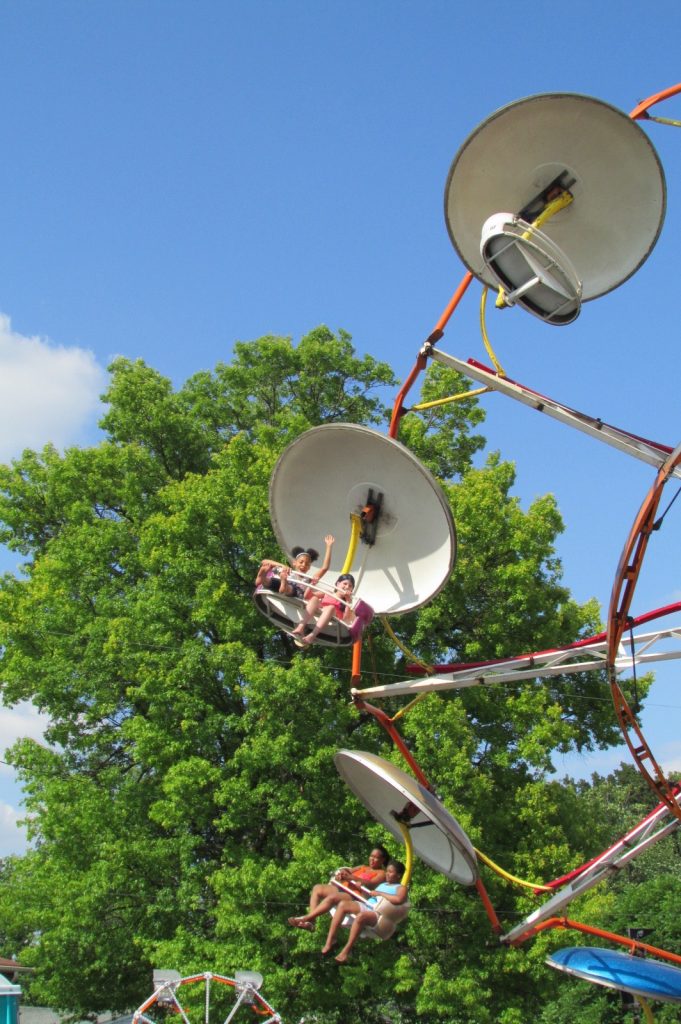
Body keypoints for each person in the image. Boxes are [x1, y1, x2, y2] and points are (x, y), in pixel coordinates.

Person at [321, 859, 408, 962]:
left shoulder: (400, 888)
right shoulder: (382, 885)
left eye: (390, 872)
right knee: (343, 905)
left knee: (361, 917)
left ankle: (346, 950)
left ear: (398, 875)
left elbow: (399, 900)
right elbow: (368, 895)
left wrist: (380, 894)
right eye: (387, 871)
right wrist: (361, 888)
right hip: (368, 904)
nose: (387, 874)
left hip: (379, 913)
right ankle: (331, 939)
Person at [287, 846, 389, 932]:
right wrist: (342, 875)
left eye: (376, 857)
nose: (372, 859)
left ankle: (306, 918)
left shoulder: (382, 873)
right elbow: (348, 871)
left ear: (382, 860)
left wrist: (351, 878)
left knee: (332, 898)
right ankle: (311, 922)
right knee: (317, 888)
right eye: (371, 856)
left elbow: (371, 884)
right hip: (343, 888)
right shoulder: (362, 867)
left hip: (354, 896)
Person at [254, 535, 334, 599]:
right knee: (272, 581)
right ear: (294, 563)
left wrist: (329, 546)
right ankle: (262, 578)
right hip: (281, 584)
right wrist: (282, 566)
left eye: (307, 564)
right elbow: (264, 561)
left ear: (309, 567)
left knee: (290, 588)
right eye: (301, 562)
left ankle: (284, 584)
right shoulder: (288, 571)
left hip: (293, 592)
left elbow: (324, 568)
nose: (303, 565)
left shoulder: (308, 579)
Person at [290, 572, 356, 645]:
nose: (347, 587)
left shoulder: (348, 603)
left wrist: (347, 601)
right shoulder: (328, 593)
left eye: (350, 586)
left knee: (331, 608)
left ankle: (312, 635)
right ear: (338, 584)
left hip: (334, 617)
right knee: (314, 598)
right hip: (321, 610)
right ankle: (301, 626)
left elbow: (345, 618)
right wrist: (312, 584)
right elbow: (307, 596)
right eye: (345, 584)